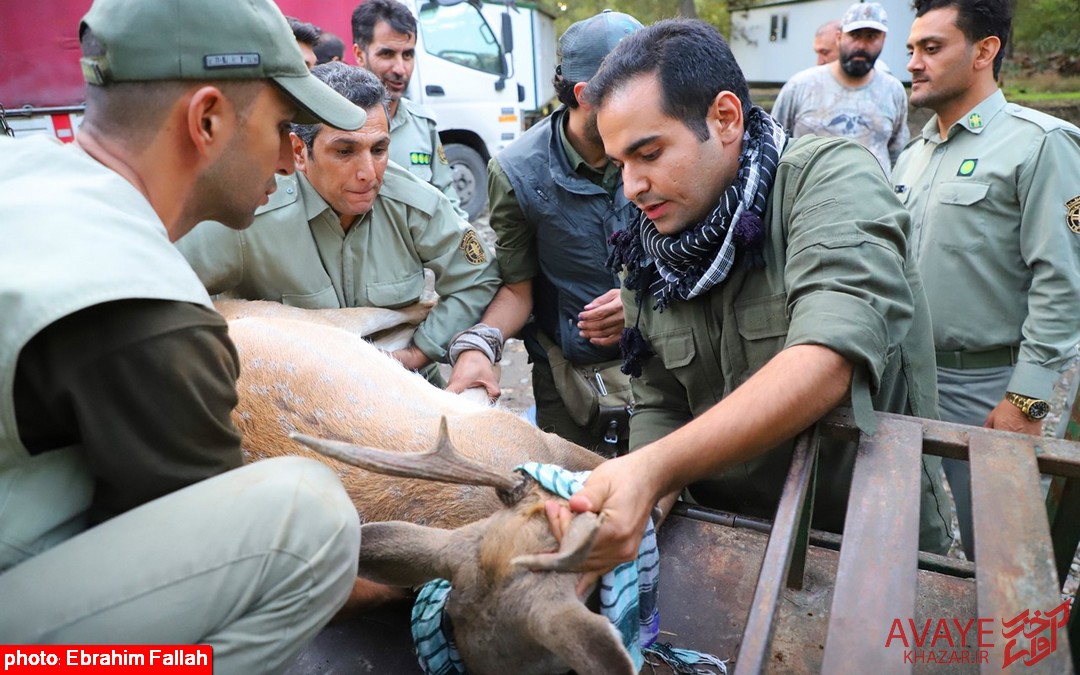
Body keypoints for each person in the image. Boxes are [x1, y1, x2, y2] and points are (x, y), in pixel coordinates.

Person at [0, 0, 362, 669]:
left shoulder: (25, 174)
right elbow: (209, 564)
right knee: (305, 524)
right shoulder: (139, 305)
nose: (291, 159)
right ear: (207, 120)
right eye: (285, 127)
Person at [545, 18, 952, 571]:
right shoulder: (648, 251)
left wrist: (653, 470)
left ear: (726, 118)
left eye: (649, 153)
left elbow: (827, 357)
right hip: (730, 543)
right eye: (620, 163)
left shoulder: (828, 180)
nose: (631, 186)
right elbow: (662, 401)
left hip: (864, 540)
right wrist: (637, 512)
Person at [893, 0, 1080, 561]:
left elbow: (1064, 281)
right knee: (901, 533)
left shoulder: (1041, 143)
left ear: (984, 51)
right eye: (912, 50)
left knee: (1003, 548)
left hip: (986, 384)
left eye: (932, 48)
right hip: (904, 379)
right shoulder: (914, 154)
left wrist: (1027, 399)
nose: (914, 64)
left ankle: (1016, 650)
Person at [177, 62, 499, 387]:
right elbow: (166, 293)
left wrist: (420, 350)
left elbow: (478, 278)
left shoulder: (414, 204)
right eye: (345, 151)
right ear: (300, 151)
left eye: (379, 149)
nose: (369, 173)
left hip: (405, 385)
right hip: (293, 400)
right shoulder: (250, 215)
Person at [445, 10, 642, 456]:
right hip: (572, 384)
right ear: (585, 95)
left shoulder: (664, 146)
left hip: (671, 363)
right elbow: (518, 289)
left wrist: (638, 304)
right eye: (633, 91)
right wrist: (480, 344)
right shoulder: (516, 171)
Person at [351, 0, 466, 218]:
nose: (400, 69)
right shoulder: (333, 123)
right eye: (387, 54)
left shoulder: (423, 125)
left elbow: (447, 203)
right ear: (359, 55)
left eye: (408, 55)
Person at [772, 2, 908, 177]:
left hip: (871, 202)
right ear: (839, 38)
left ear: (883, 40)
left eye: (872, 37)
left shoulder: (893, 91)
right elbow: (772, 148)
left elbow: (898, 157)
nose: (861, 45)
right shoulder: (800, 86)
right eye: (855, 35)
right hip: (807, 200)